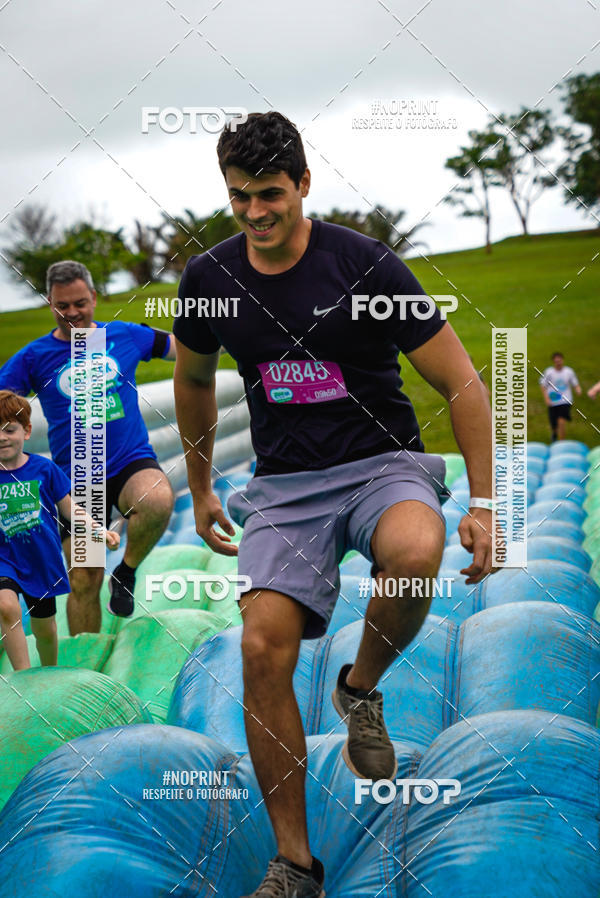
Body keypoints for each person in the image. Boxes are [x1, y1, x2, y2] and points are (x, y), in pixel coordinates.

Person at [172, 111, 494, 898]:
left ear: (305, 184)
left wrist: (487, 501)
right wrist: (206, 481)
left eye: (271, 194)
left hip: (382, 464)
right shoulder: (211, 281)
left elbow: (463, 380)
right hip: (283, 488)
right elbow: (188, 379)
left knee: (417, 556)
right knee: (259, 647)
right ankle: (295, 864)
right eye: (239, 197)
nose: (255, 213)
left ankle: (359, 689)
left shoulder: (366, 265)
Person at [0, 261, 175, 633]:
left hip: (131, 461)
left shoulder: (125, 335)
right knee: (84, 579)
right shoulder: (35, 356)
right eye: (63, 306)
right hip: (76, 478)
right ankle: (87, 668)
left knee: (157, 500)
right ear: (50, 303)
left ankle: (125, 572)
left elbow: (185, 347)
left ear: (94, 298)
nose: (73, 313)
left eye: (80, 303)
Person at [0, 391, 120, 670]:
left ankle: (50, 672)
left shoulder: (44, 469)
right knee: (6, 607)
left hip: (40, 559)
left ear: (27, 431)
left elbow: (69, 509)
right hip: (5, 557)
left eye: (9, 430)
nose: (2, 437)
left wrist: (98, 531)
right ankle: (24, 677)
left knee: (45, 629)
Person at [539, 352, 581, 441]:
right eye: (556, 361)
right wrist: (546, 398)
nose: (558, 363)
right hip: (553, 400)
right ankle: (554, 433)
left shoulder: (569, 371)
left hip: (565, 400)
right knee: (554, 423)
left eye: (560, 361)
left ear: (563, 360)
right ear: (554, 362)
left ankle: (561, 442)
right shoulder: (549, 372)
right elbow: (543, 385)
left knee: (561, 421)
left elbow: (575, 383)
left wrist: (578, 389)